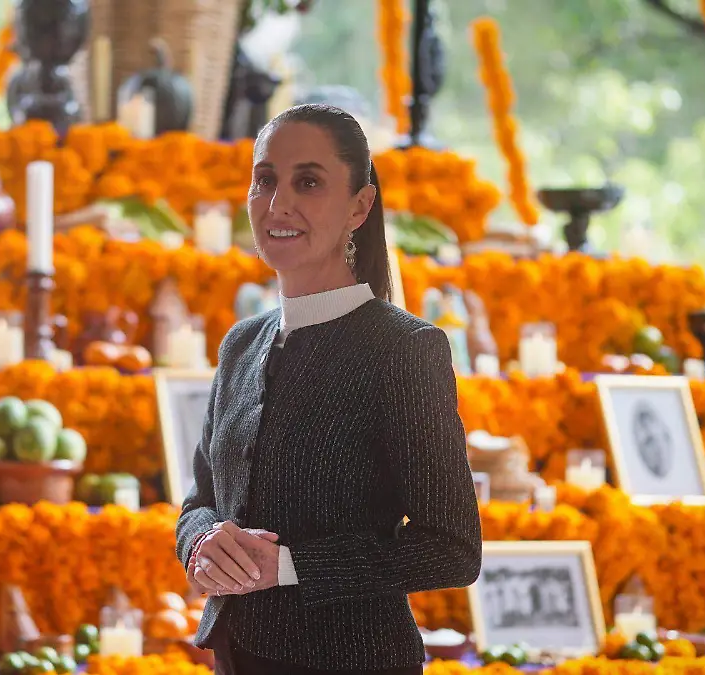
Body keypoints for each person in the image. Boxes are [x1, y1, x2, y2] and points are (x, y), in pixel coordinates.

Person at [175, 104, 483, 675]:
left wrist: (288, 566)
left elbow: (453, 549)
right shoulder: (241, 344)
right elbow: (199, 500)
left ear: (359, 206)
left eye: (308, 182)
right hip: (235, 658)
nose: (278, 203)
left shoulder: (404, 349)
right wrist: (200, 542)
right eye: (264, 179)